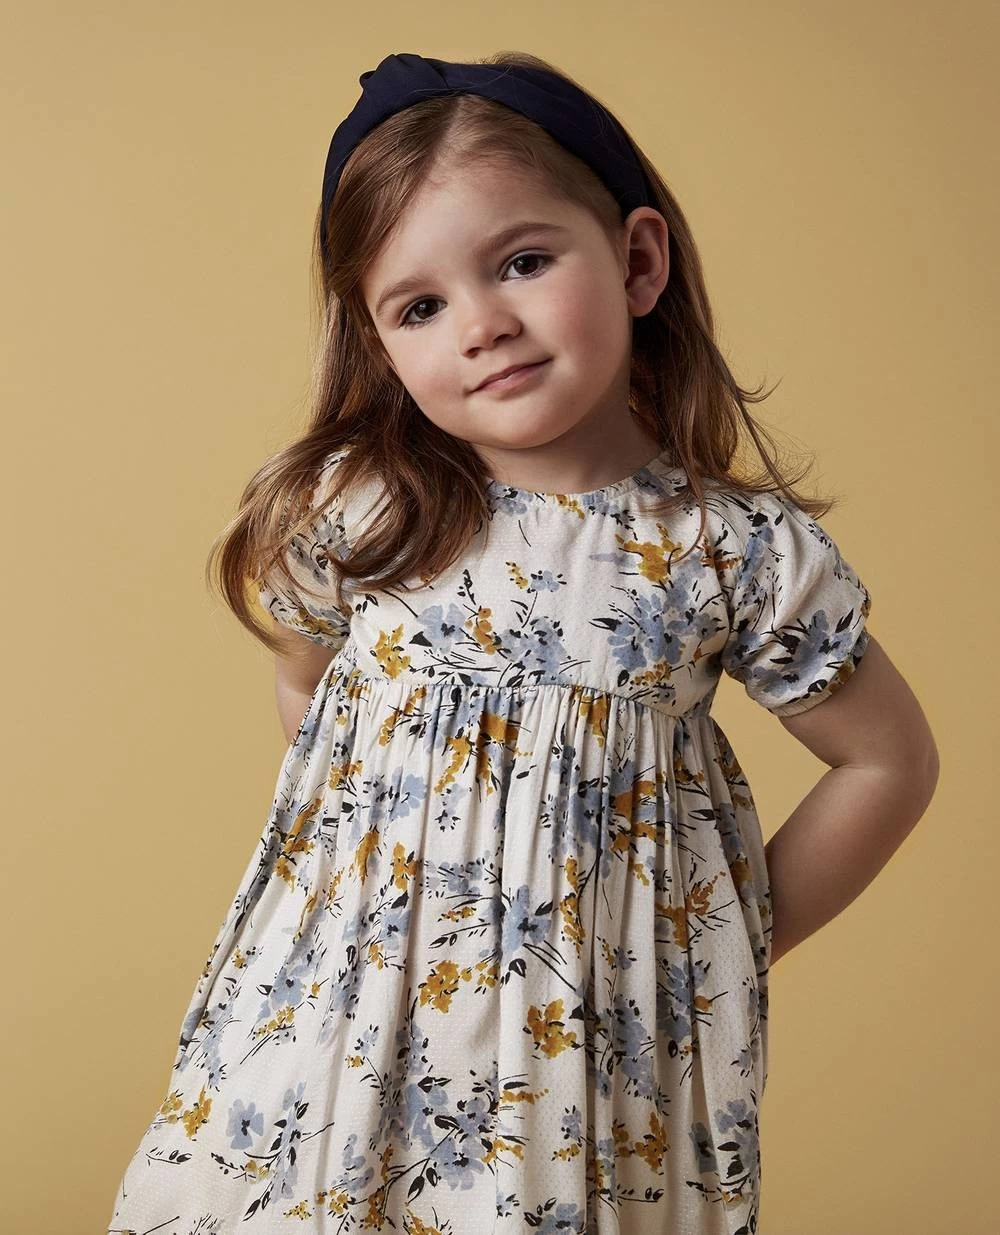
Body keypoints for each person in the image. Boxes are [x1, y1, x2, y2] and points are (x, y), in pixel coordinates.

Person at [107, 49, 938, 1235]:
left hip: (585, 1047)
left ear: (637, 261)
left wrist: (717, 941)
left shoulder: (726, 550)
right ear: (379, 342)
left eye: (522, 262)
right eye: (421, 307)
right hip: (343, 1022)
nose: (484, 325)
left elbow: (888, 759)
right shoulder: (365, 511)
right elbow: (312, 695)